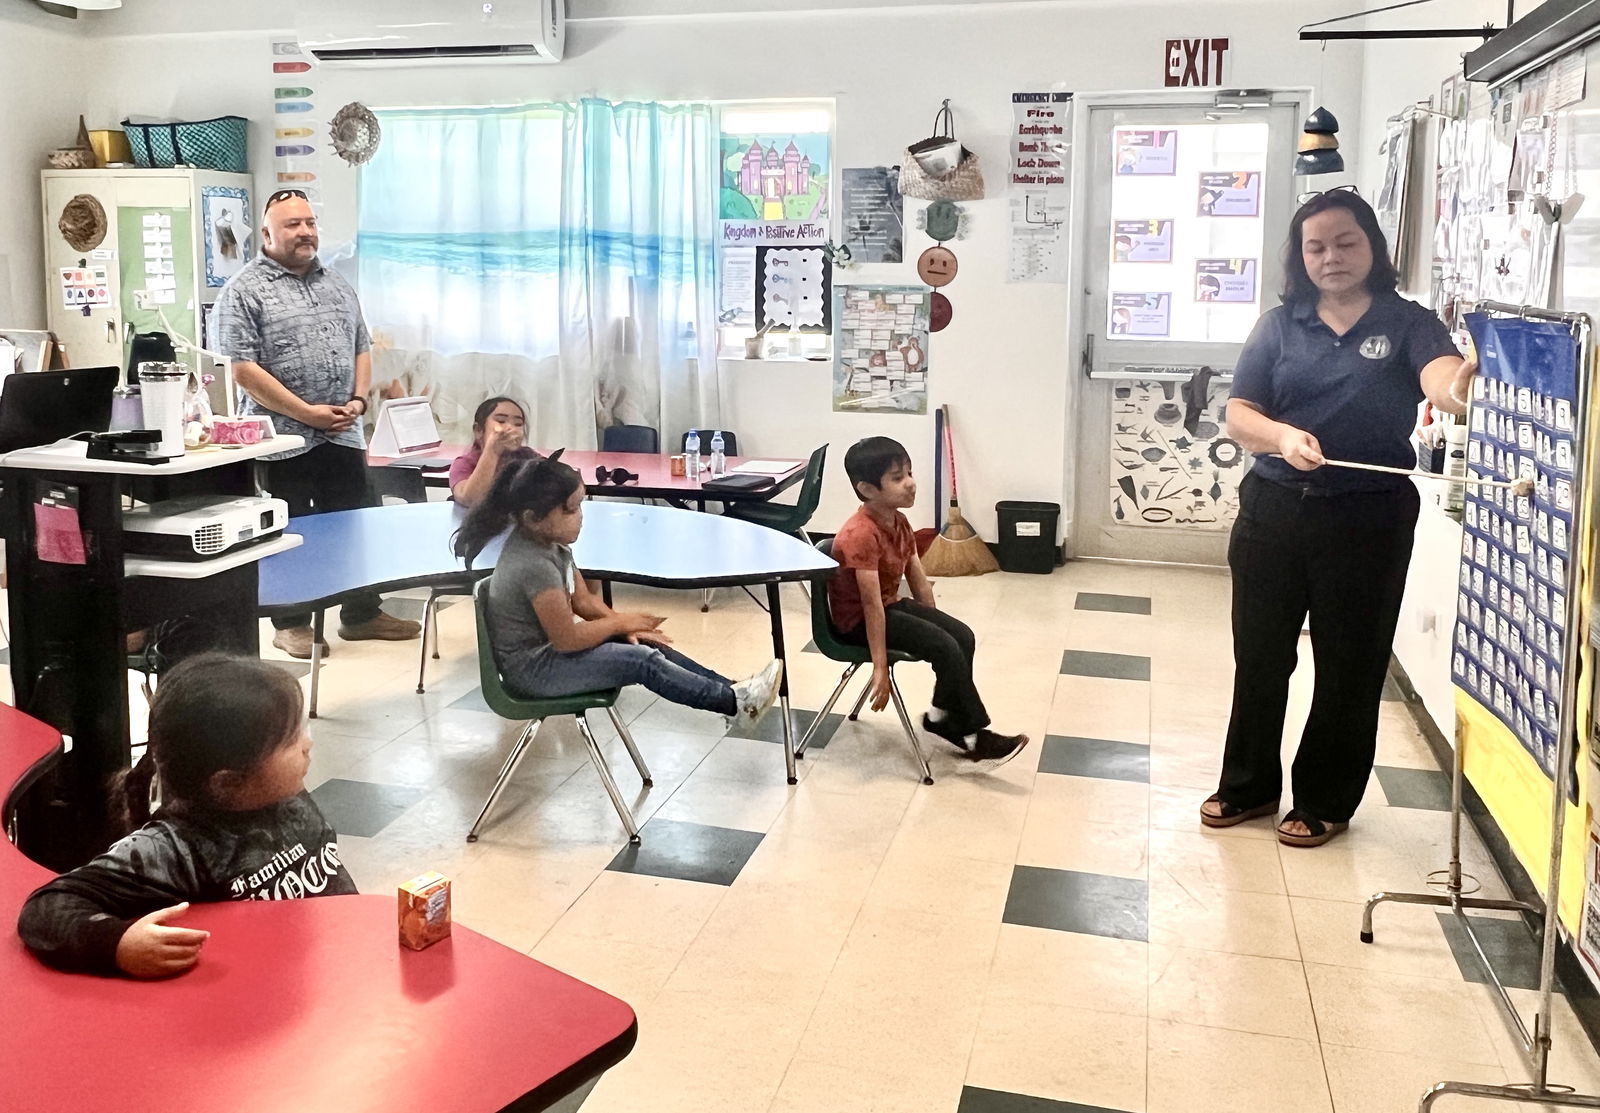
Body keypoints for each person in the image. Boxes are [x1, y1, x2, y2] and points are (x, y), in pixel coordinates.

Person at [1200, 189, 1475, 847]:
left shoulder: (1408, 323)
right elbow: (1239, 414)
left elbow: (1442, 380)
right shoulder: (1278, 325)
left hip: (1368, 518)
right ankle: (1248, 785)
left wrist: (1461, 386)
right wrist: (1282, 437)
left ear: (1372, 246)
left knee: (1350, 664)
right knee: (1259, 657)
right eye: (1316, 246)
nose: (1331, 257)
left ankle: (1325, 798)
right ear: (1300, 256)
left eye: (1346, 242)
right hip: (1272, 512)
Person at [18, 654, 355, 977]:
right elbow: (47, 907)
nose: (307, 744)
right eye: (291, 741)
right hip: (259, 994)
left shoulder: (282, 794)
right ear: (228, 782)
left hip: (333, 963)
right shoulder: (174, 848)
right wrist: (118, 944)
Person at [212, 188, 421, 660]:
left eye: (309, 222)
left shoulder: (337, 284)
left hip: (343, 432)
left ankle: (361, 613)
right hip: (280, 439)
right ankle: (290, 623)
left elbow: (361, 346)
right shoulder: (242, 291)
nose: (305, 232)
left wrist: (358, 400)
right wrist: (306, 413)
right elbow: (242, 369)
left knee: (355, 521)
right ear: (267, 233)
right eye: (293, 224)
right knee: (289, 528)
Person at [453, 451, 783, 729]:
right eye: (571, 509)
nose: (580, 518)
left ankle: (735, 691)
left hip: (549, 658)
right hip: (534, 673)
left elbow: (583, 601)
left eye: (580, 506)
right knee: (642, 661)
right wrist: (619, 623)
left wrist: (625, 627)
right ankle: (733, 704)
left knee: (643, 644)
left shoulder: (551, 546)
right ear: (533, 518)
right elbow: (566, 639)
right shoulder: (533, 564)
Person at [828, 437, 1028, 764]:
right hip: (858, 623)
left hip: (889, 607)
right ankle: (975, 735)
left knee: (961, 636)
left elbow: (917, 576)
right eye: (897, 478)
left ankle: (939, 717)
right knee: (945, 646)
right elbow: (870, 605)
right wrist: (880, 666)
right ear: (867, 489)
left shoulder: (899, 521)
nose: (910, 483)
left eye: (909, 473)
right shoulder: (860, 534)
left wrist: (934, 622)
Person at [450, 396, 540, 509]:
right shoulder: (465, 463)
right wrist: (493, 450)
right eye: (501, 421)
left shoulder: (528, 457)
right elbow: (471, 500)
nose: (510, 428)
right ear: (478, 430)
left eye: (518, 424)